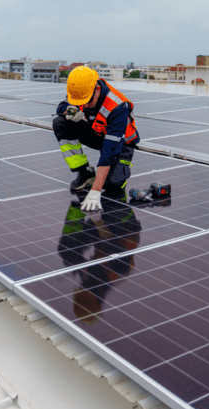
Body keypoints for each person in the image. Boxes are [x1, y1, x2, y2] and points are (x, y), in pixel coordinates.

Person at [53, 66, 140, 212]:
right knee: (60, 123)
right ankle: (85, 172)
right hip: (98, 135)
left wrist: (96, 190)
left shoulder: (117, 105)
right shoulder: (80, 89)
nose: (85, 106)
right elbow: (61, 106)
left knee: (112, 185)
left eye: (87, 101)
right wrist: (70, 111)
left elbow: (109, 151)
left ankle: (120, 172)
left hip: (121, 144)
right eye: (82, 102)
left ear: (97, 89)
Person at [57, 190, 141, 325]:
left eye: (82, 287)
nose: (81, 284)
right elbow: (110, 243)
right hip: (122, 222)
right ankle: (89, 204)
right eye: (84, 288)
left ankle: (80, 204)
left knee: (67, 251)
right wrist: (97, 219)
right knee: (109, 250)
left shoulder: (89, 281)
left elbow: (75, 258)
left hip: (102, 225)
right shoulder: (120, 269)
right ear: (98, 295)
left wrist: (72, 262)